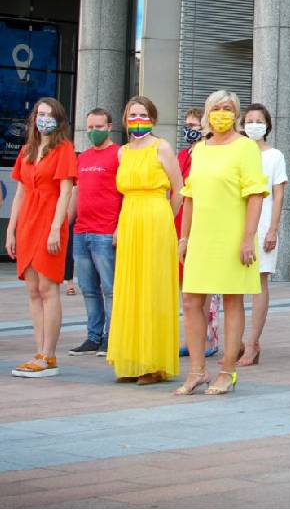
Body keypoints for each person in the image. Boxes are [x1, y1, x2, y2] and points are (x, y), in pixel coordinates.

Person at [176, 90, 268, 395]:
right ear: (207, 113)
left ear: (236, 114)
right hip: (201, 236)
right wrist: (184, 237)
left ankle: (227, 371)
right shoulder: (199, 149)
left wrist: (247, 238)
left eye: (228, 108)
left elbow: (255, 194)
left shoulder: (245, 148)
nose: (222, 113)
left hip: (232, 237)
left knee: (232, 301)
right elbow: (189, 196)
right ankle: (196, 371)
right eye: (216, 108)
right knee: (190, 301)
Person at [107, 96, 184, 385]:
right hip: (130, 218)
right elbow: (121, 193)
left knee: (152, 287)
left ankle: (154, 363)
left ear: (152, 116)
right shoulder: (122, 152)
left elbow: (179, 189)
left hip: (155, 218)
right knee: (129, 287)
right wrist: (117, 225)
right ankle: (131, 359)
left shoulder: (161, 147)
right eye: (132, 114)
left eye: (142, 114)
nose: (136, 119)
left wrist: (165, 217)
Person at [7, 98, 77, 378]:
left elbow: (65, 192)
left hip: (49, 222)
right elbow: (20, 193)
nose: (43, 119)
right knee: (33, 290)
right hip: (27, 223)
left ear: (58, 119)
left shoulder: (64, 149)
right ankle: (39, 352)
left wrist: (55, 228)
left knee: (48, 289)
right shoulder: (26, 151)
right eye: (39, 114)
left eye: (48, 114)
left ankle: (49, 354)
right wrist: (11, 229)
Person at [67, 108, 121, 358]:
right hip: (82, 231)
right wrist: (64, 224)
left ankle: (112, 337)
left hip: (105, 232)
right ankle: (93, 336)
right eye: (89, 128)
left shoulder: (119, 154)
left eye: (98, 127)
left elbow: (126, 194)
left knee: (110, 289)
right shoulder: (84, 157)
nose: (93, 132)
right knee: (88, 288)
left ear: (109, 127)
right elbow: (76, 192)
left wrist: (120, 227)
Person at [237, 103, 288, 367]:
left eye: (259, 120)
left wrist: (273, 229)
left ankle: (252, 343)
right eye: (249, 120)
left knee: (259, 283)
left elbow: (278, 194)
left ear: (267, 125)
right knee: (235, 283)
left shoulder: (274, 156)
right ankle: (236, 342)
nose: (254, 124)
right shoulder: (238, 152)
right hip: (237, 222)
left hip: (264, 222)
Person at [176, 108, 219, 357]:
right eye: (187, 124)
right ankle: (193, 338)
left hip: (203, 224)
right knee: (187, 289)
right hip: (181, 223)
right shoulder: (183, 155)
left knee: (206, 290)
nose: (190, 129)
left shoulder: (207, 154)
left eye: (194, 124)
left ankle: (209, 339)